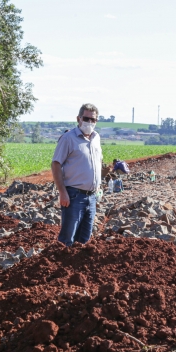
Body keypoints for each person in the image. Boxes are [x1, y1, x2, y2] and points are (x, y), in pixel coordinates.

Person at [51, 103, 103, 246]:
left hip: (92, 197)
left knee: (84, 241)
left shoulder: (96, 138)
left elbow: (97, 163)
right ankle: (60, 267)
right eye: (86, 118)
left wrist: (98, 186)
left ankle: (75, 268)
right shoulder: (68, 138)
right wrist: (62, 192)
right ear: (79, 119)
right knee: (67, 239)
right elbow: (56, 164)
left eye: (93, 120)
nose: (90, 122)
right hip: (74, 196)